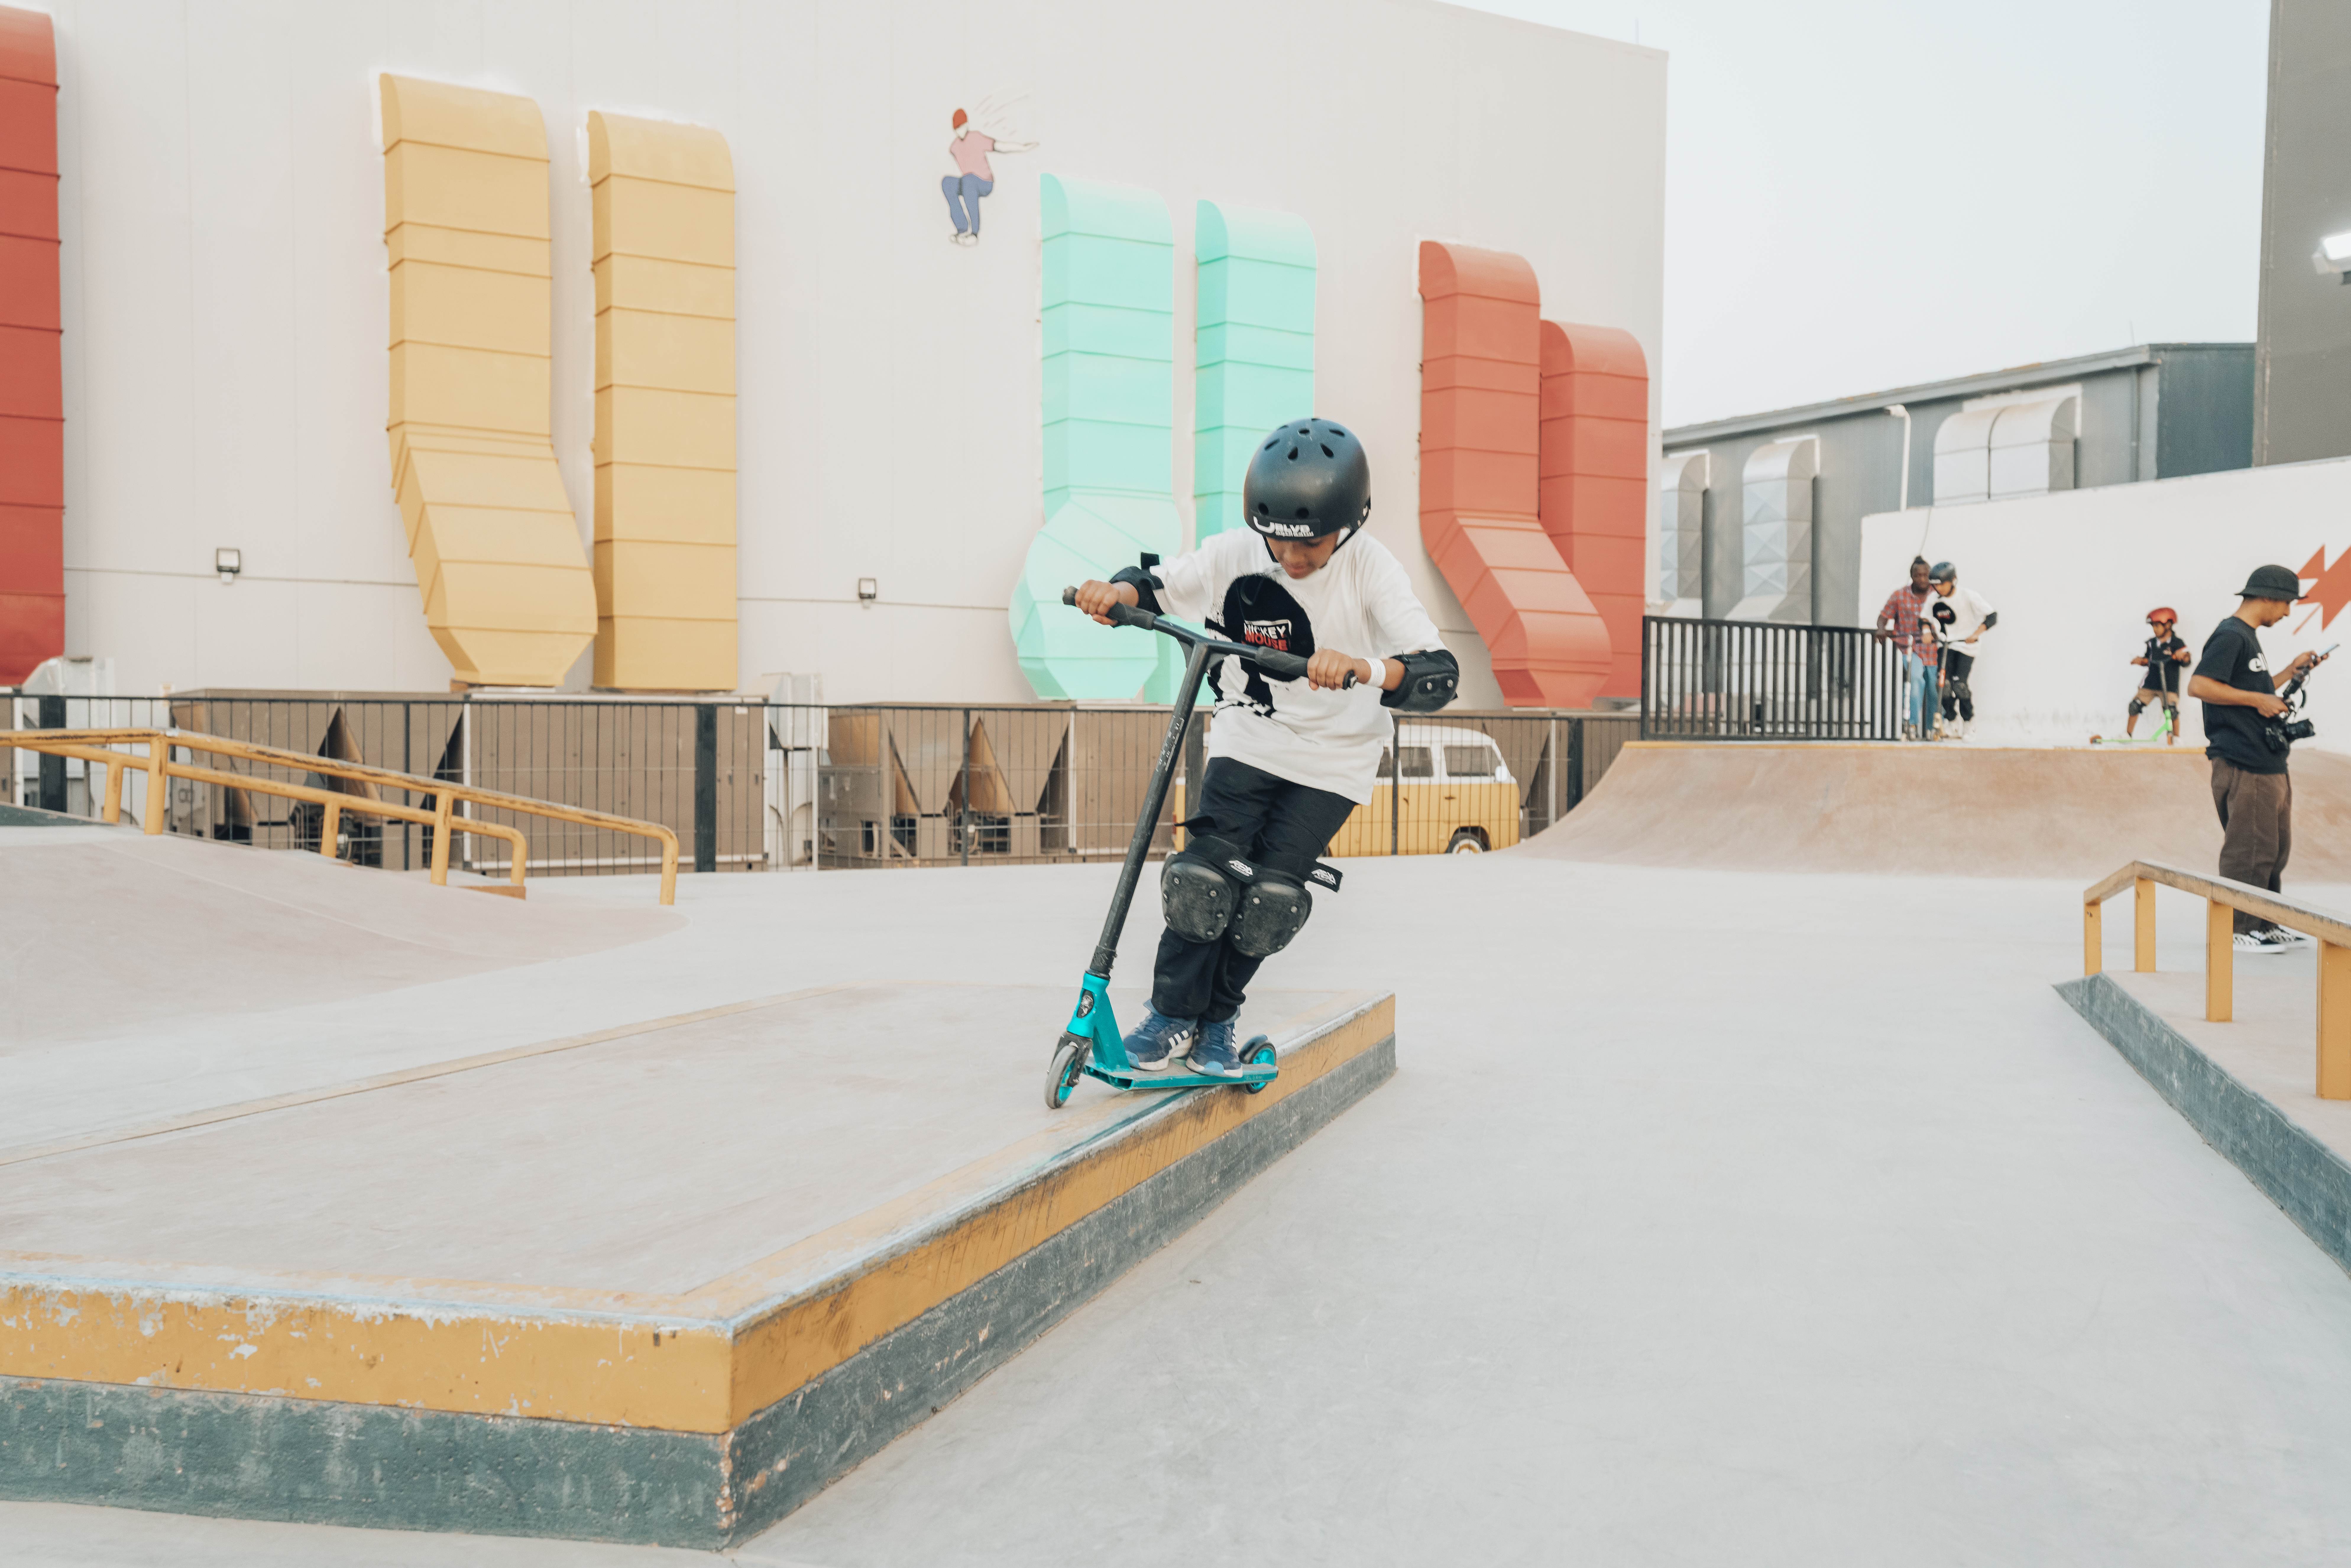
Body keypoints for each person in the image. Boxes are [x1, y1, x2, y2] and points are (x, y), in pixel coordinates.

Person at [1071, 418, 1461, 1075]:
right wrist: (1115, 594)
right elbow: (1157, 585)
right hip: (1249, 734)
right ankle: (1169, 1019)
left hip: (1336, 759)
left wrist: (1366, 668)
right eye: (1280, 542)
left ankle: (1217, 1025)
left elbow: (1435, 670)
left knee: (1269, 900)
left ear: (1350, 522)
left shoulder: (1372, 569)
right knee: (1205, 878)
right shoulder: (1233, 553)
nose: (1294, 558)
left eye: (1310, 543)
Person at [2188, 564, 2329, 954]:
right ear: (2267, 597)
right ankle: (2236, 928)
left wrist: (2289, 672)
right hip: (2242, 760)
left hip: (2267, 760)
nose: (2286, 614)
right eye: (2286, 605)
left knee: (2273, 849)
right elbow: (2199, 685)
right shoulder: (2231, 635)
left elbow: (2257, 689)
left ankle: (2264, 923)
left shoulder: (2248, 638)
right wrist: (2257, 699)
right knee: (2248, 849)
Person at [1923, 562, 1997, 739]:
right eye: (1935, 585)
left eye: (1942, 584)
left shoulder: (1968, 596)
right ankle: (1952, 720)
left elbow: (1992, 616)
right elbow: (1925, 619)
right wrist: (1927, 632)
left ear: (1953, 581)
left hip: (1966, 646)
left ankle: (1969, 721)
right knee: (1944, 685)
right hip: (1946, 644)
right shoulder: (1934, 599)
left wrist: (1977, 633)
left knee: (1960, 685)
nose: (1938, 588)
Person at [941, 108, 1034, 245]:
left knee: (969, 180)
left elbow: (1000, 146)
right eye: (956, 129)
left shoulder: (976, 137)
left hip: (984, 183)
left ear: (967, 125)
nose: (959, 132)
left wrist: (1023, 148)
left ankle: (974, 233)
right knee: (948, 182)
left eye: (961, 128)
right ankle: (962, 229)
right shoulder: (954, 147)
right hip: (969, 183)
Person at [1873, 557, 1939, 739]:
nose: (1922, 579)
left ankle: (1932, 728)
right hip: (1911, 649)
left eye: (1926, 575)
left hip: (1935, 650)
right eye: (1918, 576)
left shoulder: (1937, 595)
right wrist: (1881, 629)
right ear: (1912, 576)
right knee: (1916, 682)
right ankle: (1911, 725)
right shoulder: (1900, 595)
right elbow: (1884, 616)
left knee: (1935, 688)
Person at [2126, 607, 2191, 742]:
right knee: (2135, 706)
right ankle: (2128, 735)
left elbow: (2187, 659)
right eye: (2153, 627)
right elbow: (2147, 659)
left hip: (2169, 685)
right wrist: (2141, 661)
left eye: (2157, 626)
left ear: (2168, 625)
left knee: (2172, 711)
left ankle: (2177, 738)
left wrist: (2184, 657)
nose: (2155, 629)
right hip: (2151, 682)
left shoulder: (2177, 643)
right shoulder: (2151, 643)